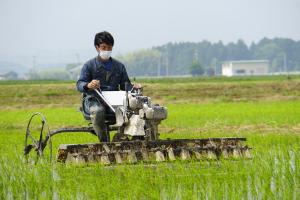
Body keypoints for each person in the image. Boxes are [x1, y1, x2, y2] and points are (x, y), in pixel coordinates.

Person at [76, 31, 140, 142]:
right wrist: (88, 85)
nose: (106, 51)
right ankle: (104, 142)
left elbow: (126, 86)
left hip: (114, 101)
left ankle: (132, 138)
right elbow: (79, 84)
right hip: (94, 100)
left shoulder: (119, 67)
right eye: (103, 47)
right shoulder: (89, 66)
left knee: (134, 109)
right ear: (97, 48)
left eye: (109, 48)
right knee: (98, 111)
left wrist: (134, 88)